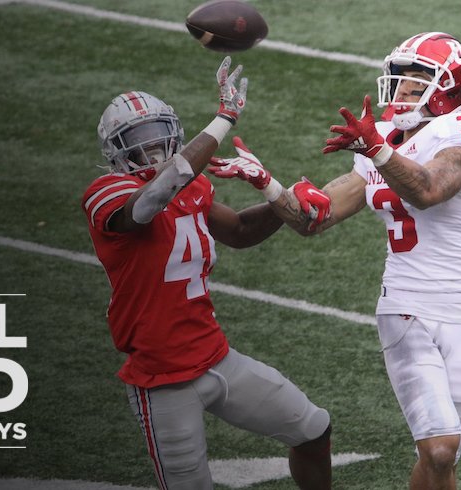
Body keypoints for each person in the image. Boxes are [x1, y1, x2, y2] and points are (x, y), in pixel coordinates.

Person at [208, 33, 461, 490]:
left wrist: (378, 150)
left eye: (418, 80)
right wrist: (268, 184)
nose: (403, 89)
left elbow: (428, 190)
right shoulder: (383, 142)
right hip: (406, 308)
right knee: (440, 446)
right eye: (401, 78)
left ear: (451, 89)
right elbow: (313, 218)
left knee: (440, 461)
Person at [81, 57, 332, 490]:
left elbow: (238, 230)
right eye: (139, 143)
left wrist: (280, 195)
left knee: (314, 430)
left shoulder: (193, 185)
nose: (154, 149)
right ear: (117, 151)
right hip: (161, 380)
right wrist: (224, 119)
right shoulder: (107, 193)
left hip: (217, 358)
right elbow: (153, 199)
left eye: (160, 136)